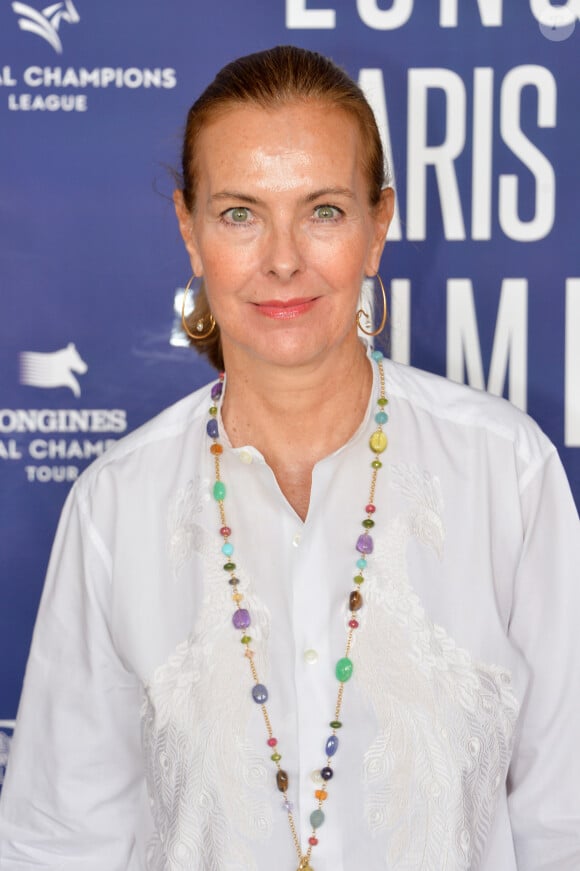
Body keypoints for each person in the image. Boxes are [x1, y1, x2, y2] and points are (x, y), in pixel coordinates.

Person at [0, 45, 578, 871]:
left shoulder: (506, 471)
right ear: (189, 228)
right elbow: (58, 844)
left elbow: (568, 821)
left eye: (324, 211)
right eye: (240, 212)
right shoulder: (114, 507)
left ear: (378, 225)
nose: (281, 258)